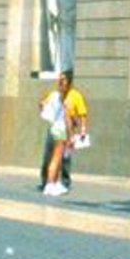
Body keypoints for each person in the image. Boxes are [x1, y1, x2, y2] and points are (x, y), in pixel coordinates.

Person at [38, 64, 88, 196]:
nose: (60, 82)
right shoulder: (61, 98)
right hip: (61, 128)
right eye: (60, 80)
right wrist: (71, 136)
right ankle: (50, 185)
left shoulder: (58, 95)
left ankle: (55, 183)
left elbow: (42, 105)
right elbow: (67, 118)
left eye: (62, 80)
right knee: (56, 158)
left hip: (56, 126)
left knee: (59, 158)